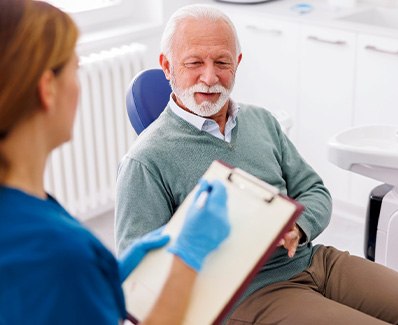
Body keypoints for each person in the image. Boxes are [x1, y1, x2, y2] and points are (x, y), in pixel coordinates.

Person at [115, 4, 398, 325]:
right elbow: (141, 285)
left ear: (238, 64)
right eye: (194, 63)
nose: (210, 78)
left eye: (222, 62)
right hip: (251, 294)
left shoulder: (261, 122)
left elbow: (315, 190)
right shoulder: (146, 160)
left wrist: (299, 228)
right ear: (167, 66)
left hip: (315, 261)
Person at [0, 1, 230, 324]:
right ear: (47, 89)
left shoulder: (25, 210)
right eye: (75, 69)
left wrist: (106, 277)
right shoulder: (56, 254)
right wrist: (188, 258)